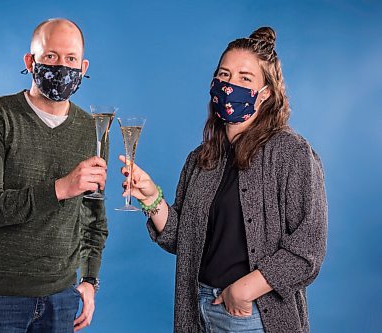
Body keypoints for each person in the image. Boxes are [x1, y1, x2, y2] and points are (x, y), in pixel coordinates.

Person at [120, 27, 327, 332]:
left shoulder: (290, 152)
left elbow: (308, 248)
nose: (230, 86)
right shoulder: (201, 158)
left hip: (254, 315)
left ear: (266, 93)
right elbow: (184, 240)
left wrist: (245, 291)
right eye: (224, 75)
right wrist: (151, 197)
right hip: (199, 310)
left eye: (245, 78)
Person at [0, 18, 109, 333]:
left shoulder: (91, 129)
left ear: (83, 66)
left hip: (61, 298)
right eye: (51, 56)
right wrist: (60, 188)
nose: (62, 67)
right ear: (30, 61)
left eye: (71, 59)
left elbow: (93, 218)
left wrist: (90, 280)